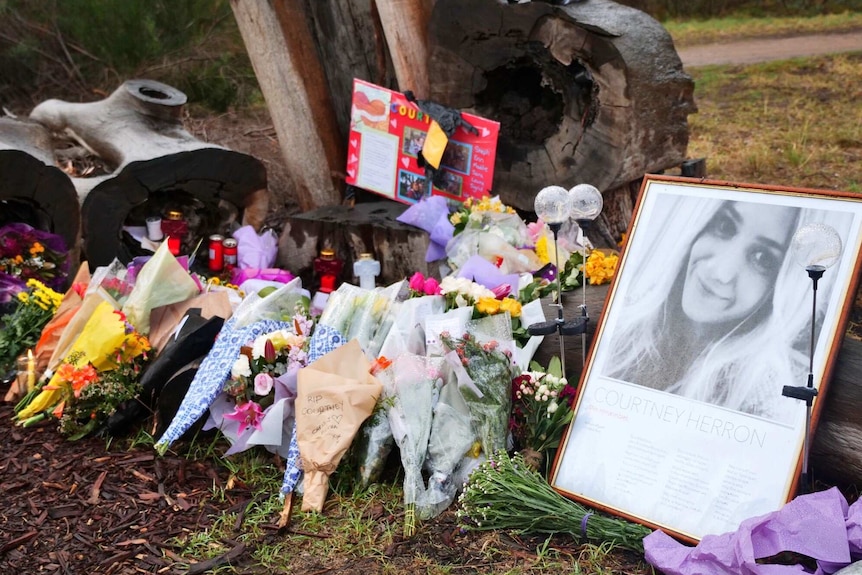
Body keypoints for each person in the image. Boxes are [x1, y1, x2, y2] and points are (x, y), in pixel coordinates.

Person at [602, 194, 850, 423]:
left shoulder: (760, 395)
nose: (720, 272)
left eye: (762, 258)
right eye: (725, 226)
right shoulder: (627, 326)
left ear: (782, 286)